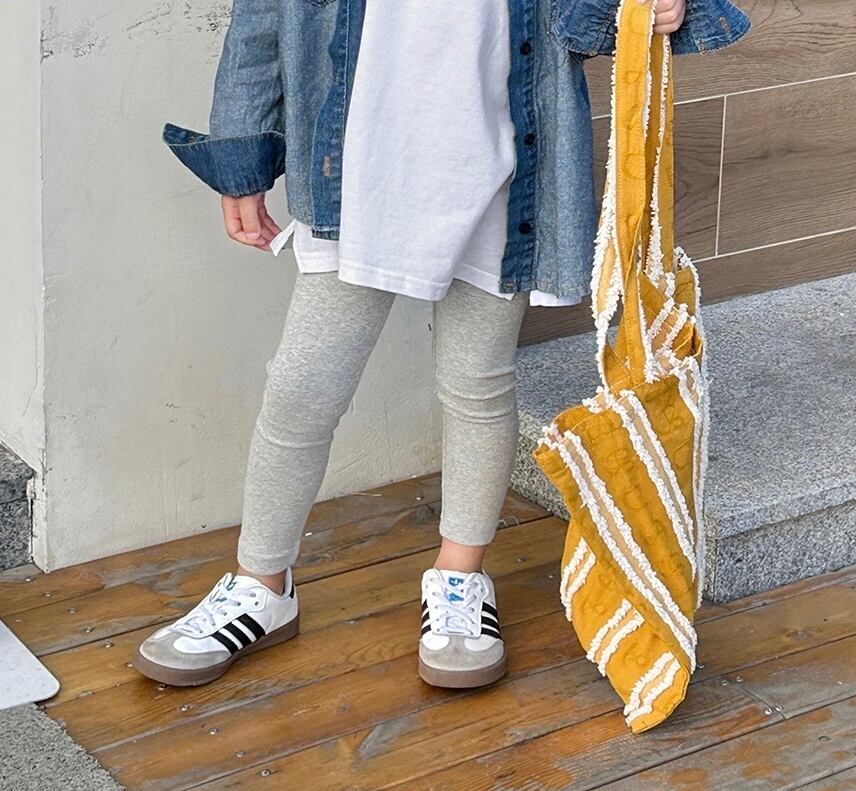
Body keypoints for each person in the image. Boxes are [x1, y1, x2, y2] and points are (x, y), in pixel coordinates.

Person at [134, 0, 750, 690]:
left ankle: (460, 575)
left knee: (477, 383)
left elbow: (591, 16)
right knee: (303, 388)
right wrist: (242, 157)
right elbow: (263, 18)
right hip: (357, 168)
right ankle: (261, 583)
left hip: (505, 166)